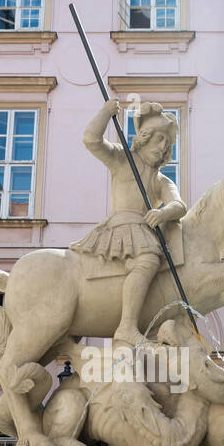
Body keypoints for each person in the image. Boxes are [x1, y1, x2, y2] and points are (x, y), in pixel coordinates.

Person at [70, 99, 185, 348]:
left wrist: (163, 214)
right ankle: (127, 327)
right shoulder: (122, 159)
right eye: (159, 139)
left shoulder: (160, 179)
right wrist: (105, 112)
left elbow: (179, 205)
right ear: (144, 138)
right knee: (148, 259)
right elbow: (91, 139)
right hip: (120, 227)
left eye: (167, 142)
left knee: (150, 259)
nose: (163, 147)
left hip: (142, 230)